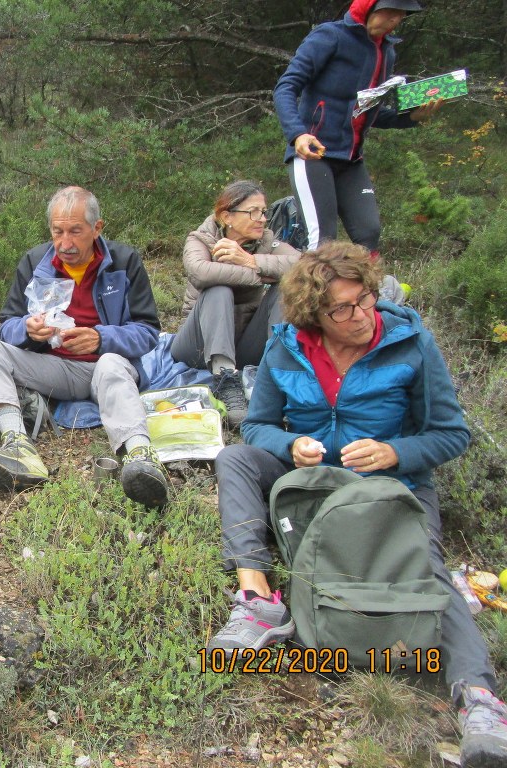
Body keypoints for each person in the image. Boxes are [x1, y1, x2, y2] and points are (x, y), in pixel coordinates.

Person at [207, 241, 507, 767]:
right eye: (342, 309)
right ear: (312, 314)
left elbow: (451, 434)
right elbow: (255, 425)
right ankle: (256, 599)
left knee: (428, 570)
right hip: (312, 481)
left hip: (393, 488)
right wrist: (288, 447)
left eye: (366, 299)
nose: (362, 316)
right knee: (235, 458)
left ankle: (478, 701)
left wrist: (395, 451)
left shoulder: (410, 343)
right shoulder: (287, 346)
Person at [0, 186, 168, 507]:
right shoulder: (36, 262)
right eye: (57, 231)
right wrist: (27, 330)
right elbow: (7, 325)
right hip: (54, 369)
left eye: (75, 231)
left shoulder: (124, 262)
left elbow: (148, 333)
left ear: (97, 227)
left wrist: (101, 338)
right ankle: (18, 446)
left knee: (111, 365)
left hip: (107, 368)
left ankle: (140, 456)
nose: (65, 243)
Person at [273, 0, 441, 256]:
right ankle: (312, 295)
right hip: (313, 153)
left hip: (352, 160)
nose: (394, 20)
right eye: (389, 12)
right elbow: (286, 87)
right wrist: (297, 133)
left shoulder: (387, 52)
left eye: (400, 15)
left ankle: (365, 296)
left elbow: (370, 112)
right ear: (368, 7)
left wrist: (411, 118)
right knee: (323, 242)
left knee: (369, 233)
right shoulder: (330, 36)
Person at [171, 180, 300, 428]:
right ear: (227, 216)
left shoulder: (268, 244)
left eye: (264, 212)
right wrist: (258, 274)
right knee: (218, 288)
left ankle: (280, 373)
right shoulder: (202, 238)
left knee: (287, 286)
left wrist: (251, 260)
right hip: (197, 344)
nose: (261, 219)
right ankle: (226, 382)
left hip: (244, 344)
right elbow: (201, 273)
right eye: (253, 212)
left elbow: (306, 266)